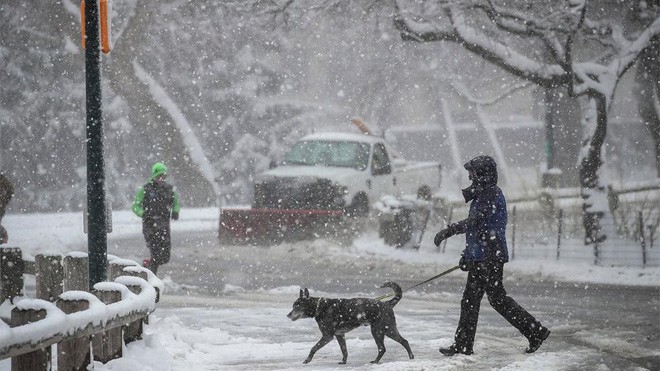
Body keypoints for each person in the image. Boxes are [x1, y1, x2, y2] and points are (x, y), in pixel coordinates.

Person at [433, 155, 550, 356]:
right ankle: (463, 345)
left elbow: (476, 223)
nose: (469, 176)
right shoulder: (483, 194)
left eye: (472, 172)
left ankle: (535, 331)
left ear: (482, 174)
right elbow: (478, 232)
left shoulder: (490, 194)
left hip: (490, 257)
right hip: (483, 256)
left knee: (495, 299)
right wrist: (468, 255)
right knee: (472, 300)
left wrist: (450, 230)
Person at [132, 162, 180, 275]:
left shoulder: (169, 189)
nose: (161, 178)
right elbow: (135, 206)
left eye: (163, 176)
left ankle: (147, 266)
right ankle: (151, 278)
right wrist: (143, 213)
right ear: (154, 175)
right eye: (159, 175)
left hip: (164, 226)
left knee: (165, 257)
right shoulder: (145, 189)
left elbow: (176, 202)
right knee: (155, 253)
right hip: (150, 226)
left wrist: (176, 211)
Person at [0, 173, 14, 245]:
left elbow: (11, 191)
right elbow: (11, 190)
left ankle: (3, 236)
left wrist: (4, 201)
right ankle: (3, 236)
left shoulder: (2, 179)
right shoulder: (2, 179)